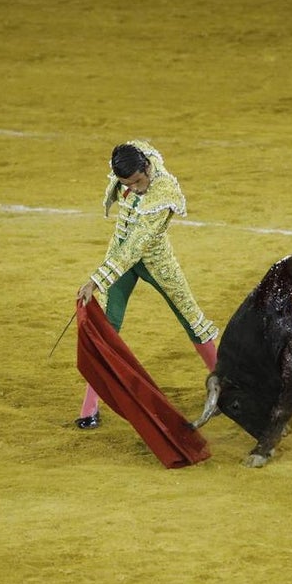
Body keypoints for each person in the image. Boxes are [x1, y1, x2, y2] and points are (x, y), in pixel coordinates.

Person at [74, 140, 219, 429]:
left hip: (154, 261)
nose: (137, 188)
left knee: (192, 318)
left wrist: (96, 279)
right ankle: (89, 407)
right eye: (129, 184)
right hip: (119, 259)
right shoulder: (133, 159)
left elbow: (134, 248)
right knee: (107, 329)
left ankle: (228, 385)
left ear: (146, 169)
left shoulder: (164, 193)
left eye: (139, 181)